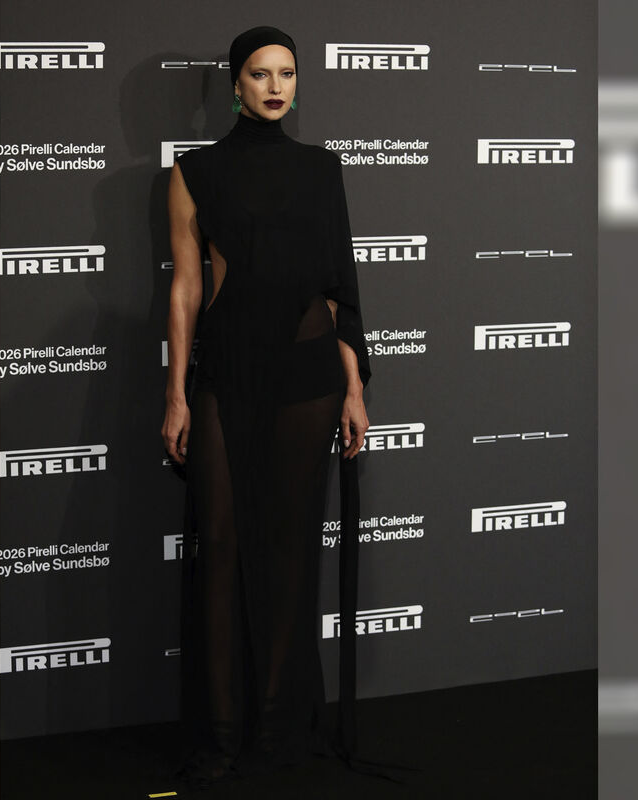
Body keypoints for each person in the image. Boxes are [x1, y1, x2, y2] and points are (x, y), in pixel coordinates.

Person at [161, 25, 373, 789]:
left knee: (289, 551)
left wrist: (355, 388)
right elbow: (186, 288)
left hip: (310, 374)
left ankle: (282, 730)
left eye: (286, 73)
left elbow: (339, 286)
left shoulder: (322, 169)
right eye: (260, 74)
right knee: (220, 548)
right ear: (235, 85)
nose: (275, 86)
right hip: (228, 368)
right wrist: (176, 393)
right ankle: (220, 738)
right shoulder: (195, 171)